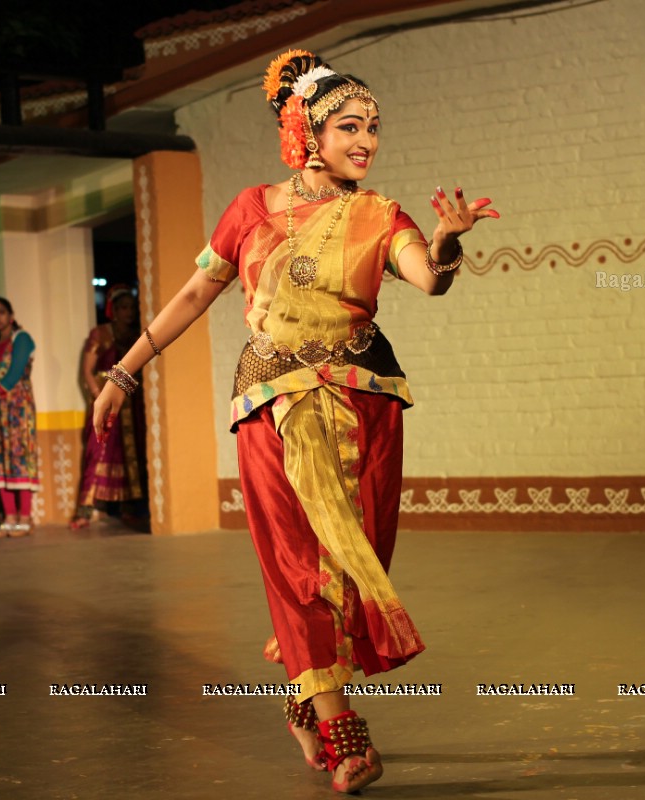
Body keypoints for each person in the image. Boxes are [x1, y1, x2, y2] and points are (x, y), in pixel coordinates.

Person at [92, 50, 498, 794]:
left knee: (356, 562)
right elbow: (191, 297)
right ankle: (346, 731)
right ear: (306, 131)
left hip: (366, 398)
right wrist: (126, 369)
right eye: (350, 126)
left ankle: (306, 691)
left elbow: (427, 278)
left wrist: (447, 241)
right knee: (297, 566)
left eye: (373, 128)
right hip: (273, 403)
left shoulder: (381, 214)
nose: (367, 141)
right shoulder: (251, 209)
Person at [70, 285, 148, 529]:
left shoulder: (136, 335)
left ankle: (129, 507)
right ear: (113, 310)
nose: (129, 313)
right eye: (124, 308)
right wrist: (98, 396)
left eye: (132, 308)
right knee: (99, 450)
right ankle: (88, 509)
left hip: (129, 401)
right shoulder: (100, 334)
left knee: (130, 453)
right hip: (105, 397)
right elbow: (87, 370)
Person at [0, 297, 39, 537]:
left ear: (11, 315)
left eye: (1, 312)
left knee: (19, 456)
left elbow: (13, 375)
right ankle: (10, 517)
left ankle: (25, 517)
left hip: (18, 407)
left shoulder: (21, 338)